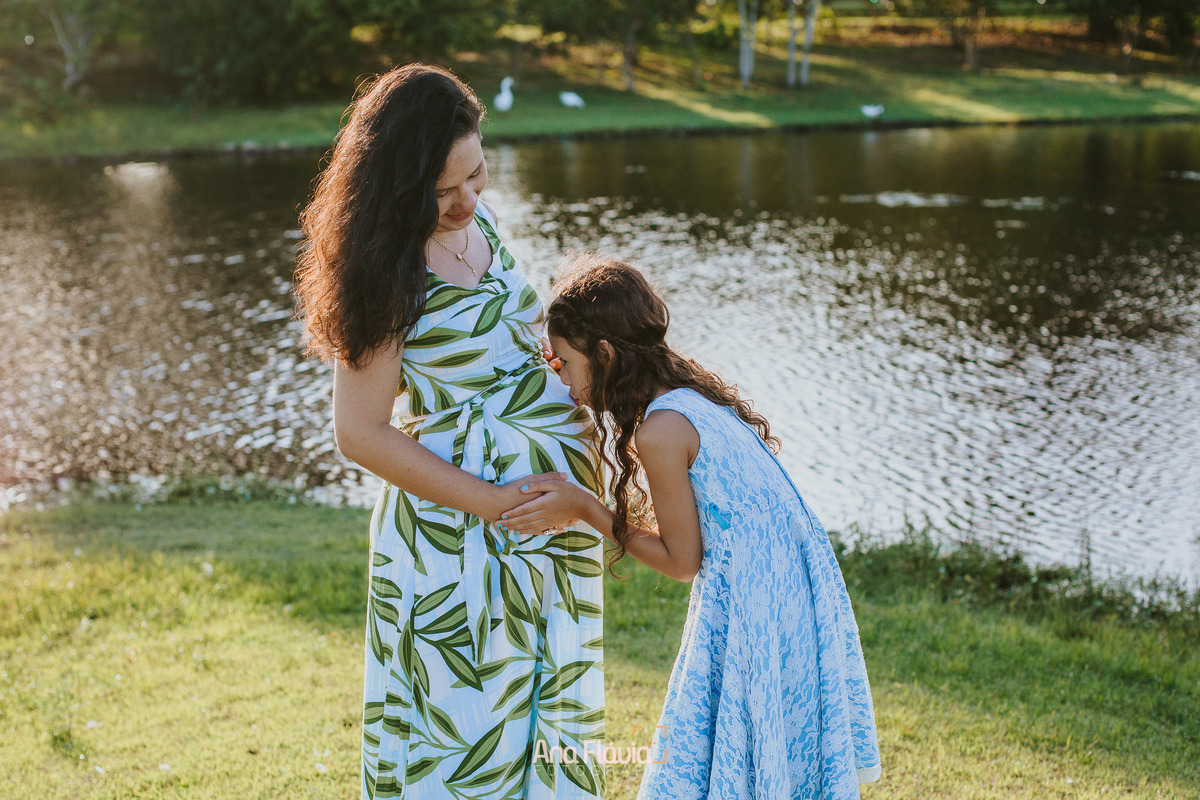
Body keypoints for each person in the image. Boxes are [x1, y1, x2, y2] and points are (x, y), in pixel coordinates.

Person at [294, 65, 606, 800]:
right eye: (442, 191)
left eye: (476, 175)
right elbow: (360, 433)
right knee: (466, 733)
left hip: (543, 531)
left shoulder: (484, 224)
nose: (467, 200)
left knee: (542, 718)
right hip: (459, 537)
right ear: (399, 187)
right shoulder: (381, 270)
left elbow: (525, 348)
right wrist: (496, 502)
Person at [499, 253, 882, 799]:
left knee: (724, 765)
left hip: (754, 607)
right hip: (791, 596)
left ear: (603, 353)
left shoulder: (661, 430)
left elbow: (683, 563)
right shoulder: (695, 400)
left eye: (561, 363)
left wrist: (585, 507)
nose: (562, 384)